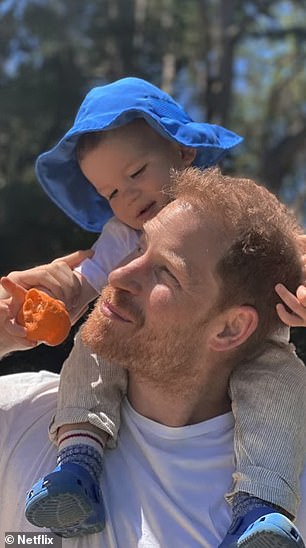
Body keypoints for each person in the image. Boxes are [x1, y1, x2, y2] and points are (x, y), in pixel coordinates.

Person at [1, 78, 306, 545]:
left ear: (184, 153)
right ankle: (78, 458)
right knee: (93, 338)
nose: (127, 199)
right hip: (86, 400)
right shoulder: (22, 417)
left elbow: (287, 253)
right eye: (111, 194)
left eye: (137, 172)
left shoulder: (228, 217)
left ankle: (262, 505)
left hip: (263, 355)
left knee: (280, 375)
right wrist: (41, 307)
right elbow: (88, 282)